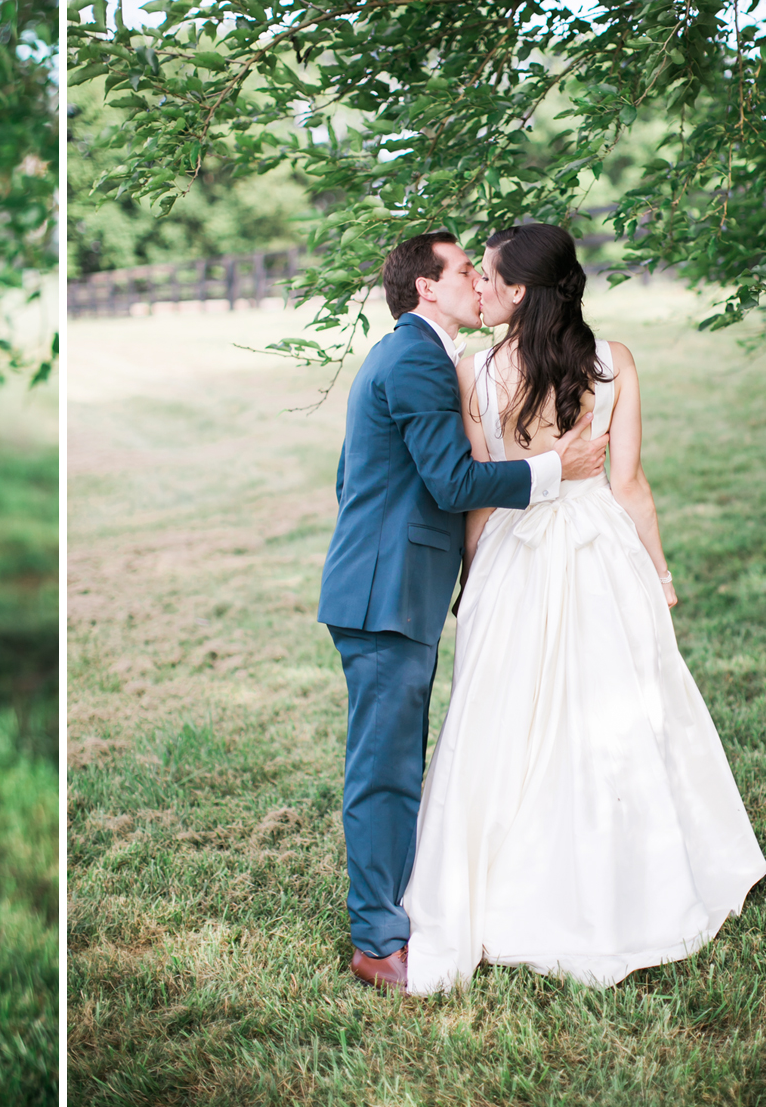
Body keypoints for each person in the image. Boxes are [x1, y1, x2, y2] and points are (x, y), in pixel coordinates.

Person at [402, 222, 766, 994]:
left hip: (515, 544)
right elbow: (629, 484)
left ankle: (517, 890)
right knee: (621, 707)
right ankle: (629, 882)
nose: (484, 290)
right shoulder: (615, 362)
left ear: (524, 291)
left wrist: (476, 582)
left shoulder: (477, 372)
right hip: (601, 544)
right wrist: (658, 571)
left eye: (494, 279)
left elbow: (478, 494)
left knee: (511, 718)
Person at [317, 230, 610, 992]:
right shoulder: (415, 355)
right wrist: (557, 469)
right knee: (384, 772)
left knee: (396, 764)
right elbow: (451, 483)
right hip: (384, 597)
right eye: (463, 273)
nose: (478, 285)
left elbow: (356, 477)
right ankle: (378, 941)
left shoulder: (419, 356)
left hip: (391, 588)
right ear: (426, 289)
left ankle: (400, 910)